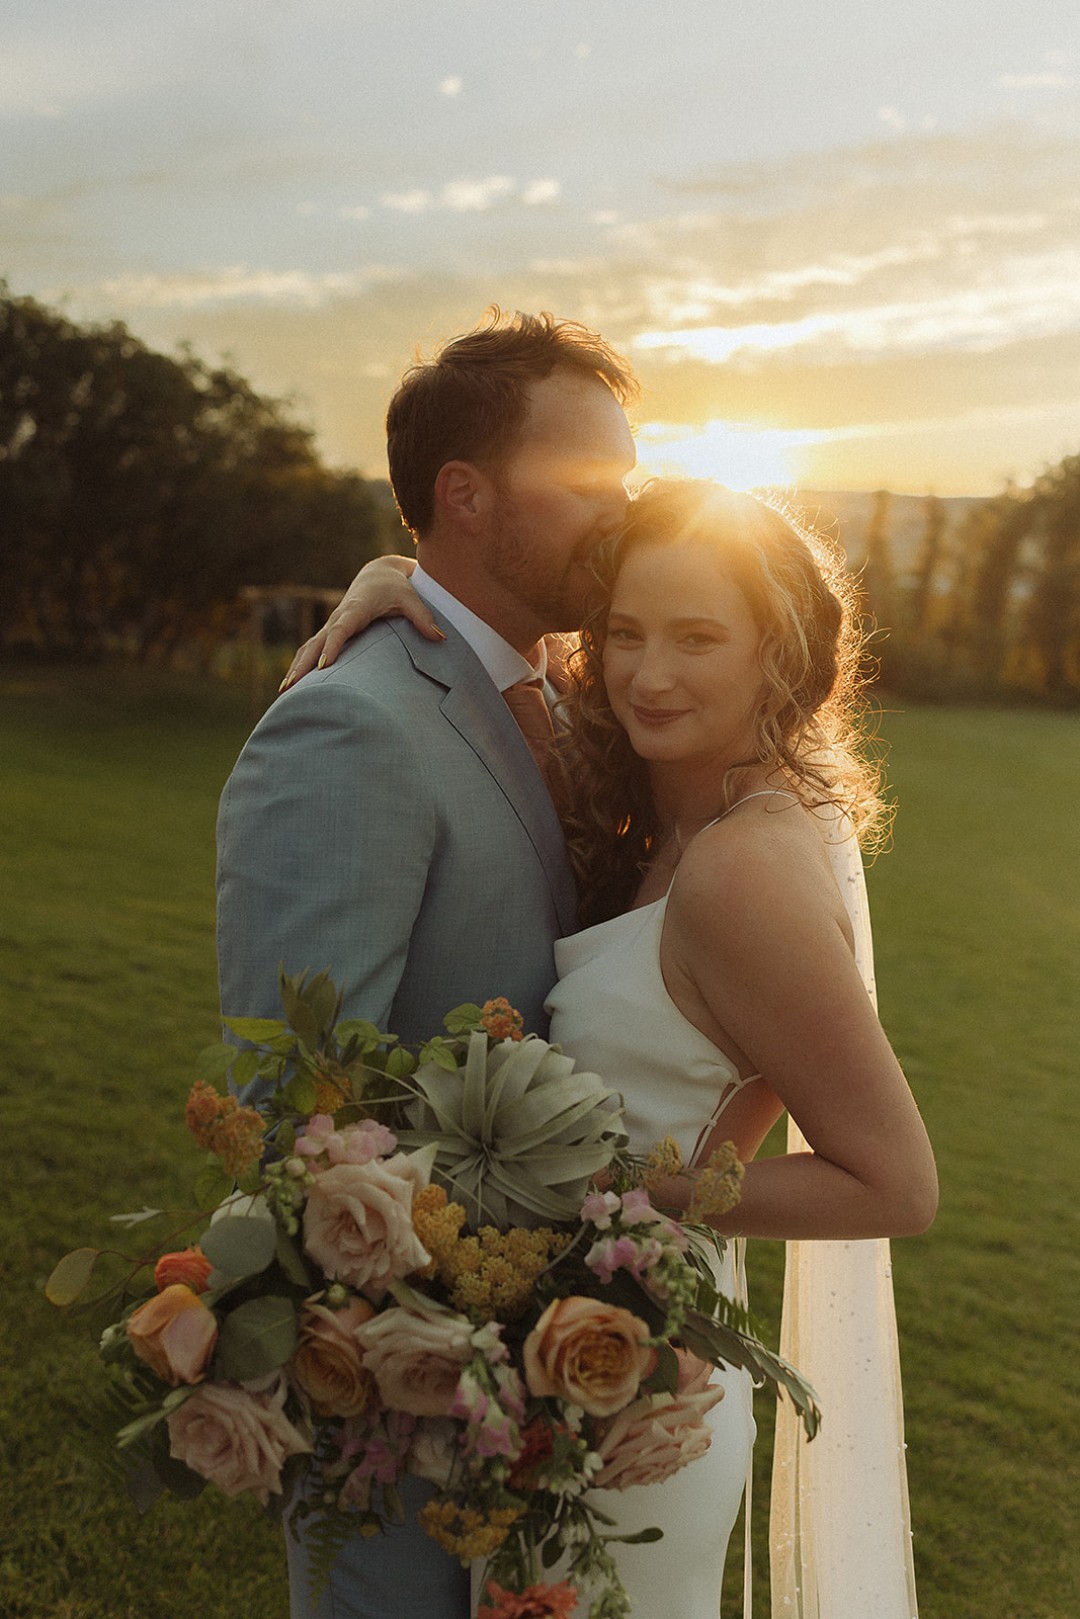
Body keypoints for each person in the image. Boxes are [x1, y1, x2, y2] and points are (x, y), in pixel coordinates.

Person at [294, 480, 938, 1619]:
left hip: (640, 1381)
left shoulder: (745, 872)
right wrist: (390, 583)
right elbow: (493, 661)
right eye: (627, 634)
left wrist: (625, 1199)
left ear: (779, 657)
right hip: (568, 1369)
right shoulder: (661, 812)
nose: (649, 674)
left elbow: (895, 1179)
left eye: (698, 638)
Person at [215, 309, 638, 1619]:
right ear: (465, 494)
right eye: (589, 489)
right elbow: (302, 1108)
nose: (620, 520)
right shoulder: (352, 721)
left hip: (570, 1366)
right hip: (411, 1389)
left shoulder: (573, 688)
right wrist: (455, 1340)